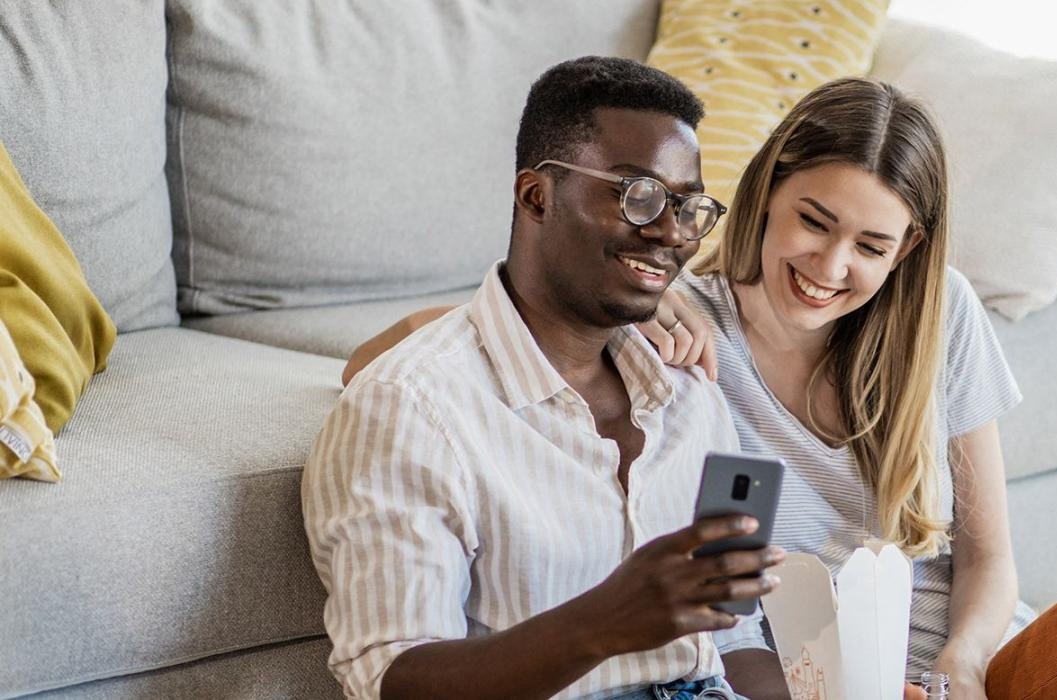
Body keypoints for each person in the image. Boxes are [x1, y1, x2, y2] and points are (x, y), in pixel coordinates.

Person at [345, 75, 1057, 699]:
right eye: (814, 220)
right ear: (769, 191)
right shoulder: (682, 331)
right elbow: (394, 356)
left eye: (871, 245)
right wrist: (655, 303)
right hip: (819, 680)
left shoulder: (946, 320)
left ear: (909, 251)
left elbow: (989, 562)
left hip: (984, 674)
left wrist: (968, 671)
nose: (832, 265)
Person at [304, 56, 813, 700]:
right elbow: (391, 677)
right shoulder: (410, 407)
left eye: (686, 206)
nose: (669, 232)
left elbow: (732, 643)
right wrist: (603, 622)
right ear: (536, 196)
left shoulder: (689, 393)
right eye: (638, 195)